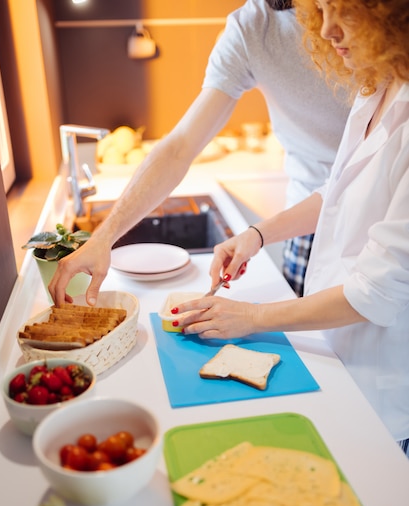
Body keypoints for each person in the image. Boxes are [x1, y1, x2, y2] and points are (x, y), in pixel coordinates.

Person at [171, 0, 409, 456]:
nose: (328, 31)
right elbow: (334, 190)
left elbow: (375, 293)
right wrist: (255, 235)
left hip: (386, 377)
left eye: (344, 12)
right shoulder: (376, 88)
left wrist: (252, 317)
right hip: (337, 346)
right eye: (319, 10)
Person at [49, 0, 350, 304]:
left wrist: (253, 315)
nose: (329, 29)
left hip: (384, 212)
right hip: (305, 221)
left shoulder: (371, 27)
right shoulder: (251, 27)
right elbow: (179, 146)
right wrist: (103, 237)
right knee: (314, 346)